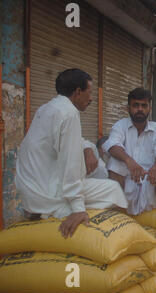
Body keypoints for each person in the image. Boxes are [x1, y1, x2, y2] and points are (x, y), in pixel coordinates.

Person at [15, 69, 128, 238]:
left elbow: (65, 141)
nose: (90, 99)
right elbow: (70, 164)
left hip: (29, 191)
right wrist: (78, 209)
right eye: (89, 93)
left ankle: (39, 214)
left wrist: (88, 148)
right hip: (46, 192)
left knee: (92, 174)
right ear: (77, 92)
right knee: (114, 190)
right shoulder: (69, 114)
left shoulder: (46, 108)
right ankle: (122, 234)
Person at [102, 88, 156, 241]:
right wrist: (129, 162)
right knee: (114, 163)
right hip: (127, 183)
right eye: (136, 105)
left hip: (151, 184)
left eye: (144, 105)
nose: (140, 109)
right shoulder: (120, 126)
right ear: (128, 108)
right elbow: (112, 144)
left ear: (149, 108)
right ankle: (120, 219)